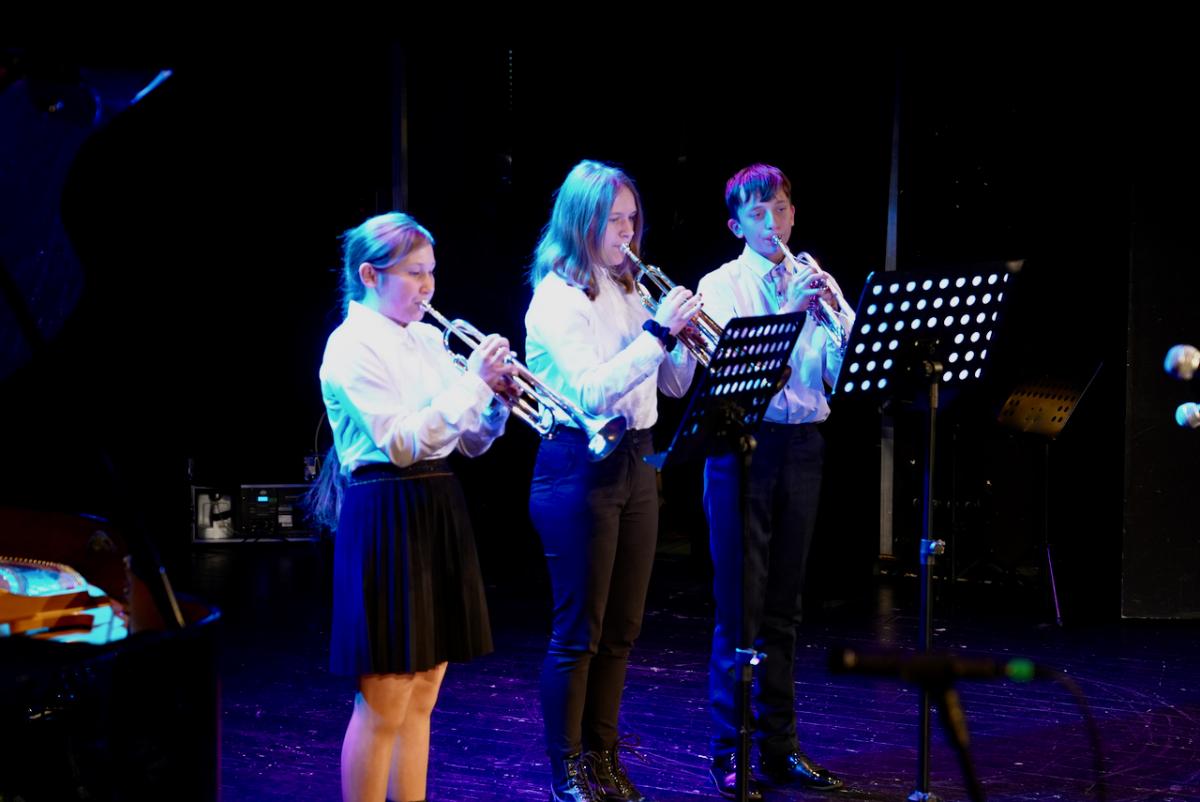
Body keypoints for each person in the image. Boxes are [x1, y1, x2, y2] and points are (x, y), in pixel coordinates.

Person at [311, 212, 515, 802]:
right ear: (369, 275)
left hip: (437, 503)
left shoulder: (428, 339)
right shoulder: (350, 346)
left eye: (431, 272)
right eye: (413, 273)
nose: (427, 287)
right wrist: (473, 383)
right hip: (386, 509)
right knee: (385, 696)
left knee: (424, 689)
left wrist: (495, 402)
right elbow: (401, 442)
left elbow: (467, 442)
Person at [524, 160, 700, 802]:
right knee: (579, 631)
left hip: (638, 458)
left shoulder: (632, 287)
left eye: (632, 219)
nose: (627, 233)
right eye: (614, 221)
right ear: (582, 224)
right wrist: (657, 333)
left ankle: (603, 757)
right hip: (579, 463)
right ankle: (566, 767)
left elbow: (671, 385)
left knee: (623, 629)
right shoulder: (556, 297)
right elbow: (592, 394)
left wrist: (681, 340)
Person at [696, 164, 854, 799]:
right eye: (758, 214)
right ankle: (727, 750)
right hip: (744, 449)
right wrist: (791, 312)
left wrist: (836, 316)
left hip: (804, 444)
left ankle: (780, 747)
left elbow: (841, 373)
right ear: (736, 225)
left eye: (781, 209)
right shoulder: (720, 286)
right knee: (741, 609)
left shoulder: (813, 274)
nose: (773, 224)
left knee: (785, 610)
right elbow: (744, 376)